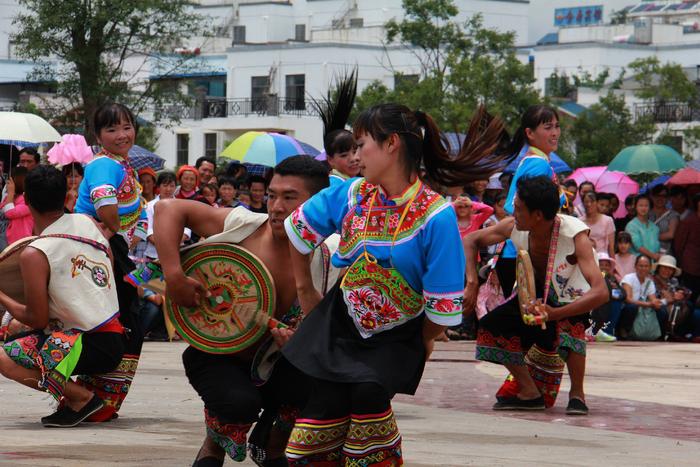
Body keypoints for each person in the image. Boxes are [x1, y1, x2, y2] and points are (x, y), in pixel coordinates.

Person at [282, 104, 510, 465]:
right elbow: (297, 230)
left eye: (362, 145)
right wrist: (306, 291)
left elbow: (441, 308)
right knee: (315, 427)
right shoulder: (353, 195)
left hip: (398, 335)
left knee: (368, 397)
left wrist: (416, 342)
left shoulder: (435, 217)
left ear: (391, 144)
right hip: (339, 325)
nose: (356, 156)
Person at [154, 156, 342, 466]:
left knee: (324, 382)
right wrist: (173, 275)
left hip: (281, 365)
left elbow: (339, 334)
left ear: (319, 203)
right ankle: (211, 448)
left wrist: (303, 341)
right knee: (237, 403)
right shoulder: (245, 225)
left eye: (289, 197)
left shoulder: (333, 257)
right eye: (272, 195)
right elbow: (167, 209)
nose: (276, 207)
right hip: (219, 355)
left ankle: (274, 444)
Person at [465, 176, 608, 415]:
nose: (513, 212)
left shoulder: (575, 235)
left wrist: (555, 314)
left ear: (538, 215)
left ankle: (577, 394)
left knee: (570, 324)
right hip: (535, 295)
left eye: (519, 208)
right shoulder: (516, 226)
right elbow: (471, 240)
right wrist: (471, 282)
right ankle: (529, 390)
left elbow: (601, 292)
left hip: (573, 295)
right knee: (491, 326)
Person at [0, 166, 125, 427]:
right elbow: (108, 268)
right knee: (22, 335)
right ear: (65, 195)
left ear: (29, 202)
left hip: (86, 343)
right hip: (114, 337)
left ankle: (81, 398)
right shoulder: (87, 223)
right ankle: (79, 397)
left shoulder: (35, 253)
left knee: (3, 355)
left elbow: (36, 318)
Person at [73, 102, 148, 422]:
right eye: (112, 129)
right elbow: (106, 207)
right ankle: (96, 400)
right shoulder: (105, 165)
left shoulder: (122, 164)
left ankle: (101, 399)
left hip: (115, 252)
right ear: (98, 135)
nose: (122, 134)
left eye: (127, 127)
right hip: (103, 254)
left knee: (127, 323)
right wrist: (118, 231)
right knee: (119, 325)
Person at [312, 69, 361, 186]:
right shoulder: (334, 186)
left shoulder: (353, 182)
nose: (353, 158)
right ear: (330, 160)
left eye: (355, 151)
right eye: (344, 155)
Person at [144, 171, 191, 261]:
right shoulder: (149, 206)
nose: (168, 189)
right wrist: (164, 245)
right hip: (154, 253)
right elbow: (148, 230)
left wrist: (174, 243)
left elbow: (187, 230)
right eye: (165, 185)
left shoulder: (182, 205)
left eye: (172, 186)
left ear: (175, 187)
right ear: (158, 186)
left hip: (178, 251)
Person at [619, 255, 663, 340]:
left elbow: (652, 299)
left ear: (650, 268)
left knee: (661, 310)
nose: (643, 268)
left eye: (646, 266)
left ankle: (658, 334)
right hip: (627, 308)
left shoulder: (649, 282)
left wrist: (656, 303)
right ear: (635, 266)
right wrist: (648, 304)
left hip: (642, 309)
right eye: (641, 266)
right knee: (631, 307)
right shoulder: (629, 278)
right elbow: (628, 299)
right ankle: (624, 330)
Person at [652, 255, 692, 340]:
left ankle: (677, 333)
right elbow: (655, 297)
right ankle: (662, 334)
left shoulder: (674, 281)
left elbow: (688, 291)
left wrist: (681, 293)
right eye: (664, 268)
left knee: (689, 305)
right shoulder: (652, 280)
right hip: (657, 305)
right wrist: (670, 298)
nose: (667, 271)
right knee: (662, 311)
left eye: (670, 269)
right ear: (659, 268)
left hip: (673, 308)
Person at [590, 252, 624, 341]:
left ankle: (607, 331)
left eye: (606, 265)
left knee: (616, 304)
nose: (604, 267)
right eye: (601, 265)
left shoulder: (612, 278)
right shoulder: (592, 276)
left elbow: (623, 294)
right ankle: (594, 330)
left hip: (608, 304)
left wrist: (616, 291)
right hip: (594, 304)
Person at [674, 193, 700, 302]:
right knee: (689, 294)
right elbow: (679, 243)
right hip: (690, 264)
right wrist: (681, 261)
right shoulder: (688, 221)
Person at [1, 167, 34, 244]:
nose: (7, 183)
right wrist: (9, 195)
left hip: (19, 241)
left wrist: (10, 193)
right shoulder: (11, 196)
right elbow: (2, 209)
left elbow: (10, 213)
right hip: (6, 237)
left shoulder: (29, 199)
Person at [625, 195, 660, 260]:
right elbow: (638, 246)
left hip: (652, 264)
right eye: (640, 205)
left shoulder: (655, 227)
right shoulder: (631, 225)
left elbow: (657, 247)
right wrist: (653, 256)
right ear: (635, 207)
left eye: (646, 206)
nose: (643, 208)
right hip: (637, 263)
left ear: (650, 207)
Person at [582, 191, 615, 257]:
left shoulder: (608, 220)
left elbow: (611, 247)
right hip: (585, 257)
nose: (589, 204)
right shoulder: (579, 221)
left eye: (592, 201)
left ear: (597, 202)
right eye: (586, 202)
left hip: (603, 259)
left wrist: (613, 265)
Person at [649, 185, 679, 255]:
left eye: (664, 196)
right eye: (657, 195)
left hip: (665, 254)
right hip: (647, 253)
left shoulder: (673, 214)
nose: (660, 198)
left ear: (668, 198)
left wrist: (648, 236)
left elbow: (671, 234)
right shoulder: (646, 214)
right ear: (652, 197)